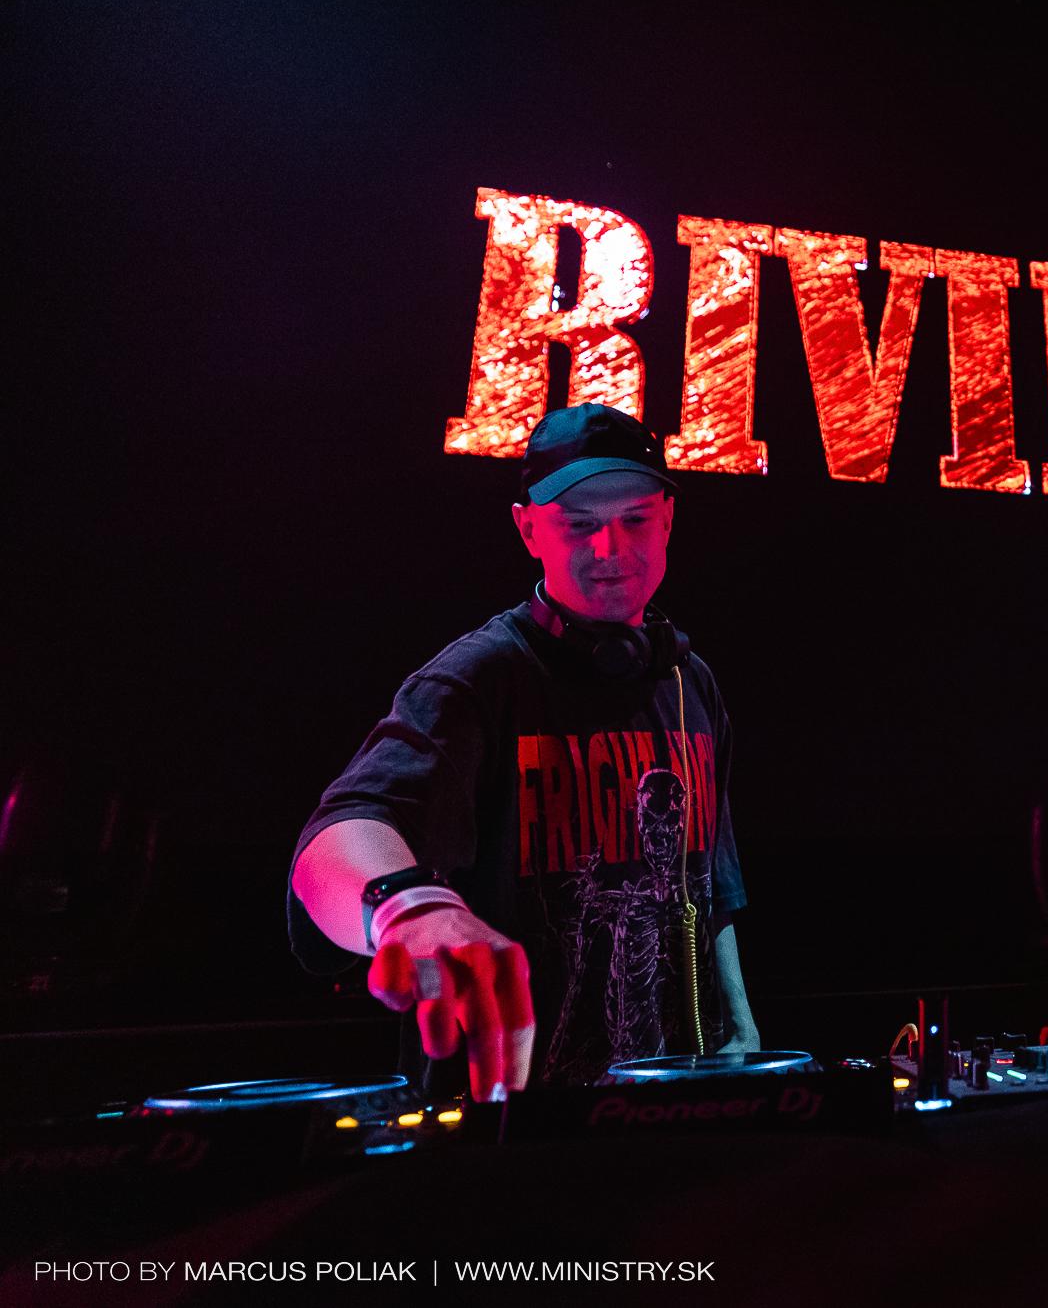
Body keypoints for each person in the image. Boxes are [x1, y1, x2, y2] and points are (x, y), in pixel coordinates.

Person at [287, 403, 760, 1097]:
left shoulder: (691, 682)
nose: (610, 550)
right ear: (529, 529)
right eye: (579, 525)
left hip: (673, 1110)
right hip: (508, 1119)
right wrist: (408, 907)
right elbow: (338, 835)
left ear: (667, 519)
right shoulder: (476, 681)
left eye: (634, 520)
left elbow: (711, 889)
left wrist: (742, 1033)